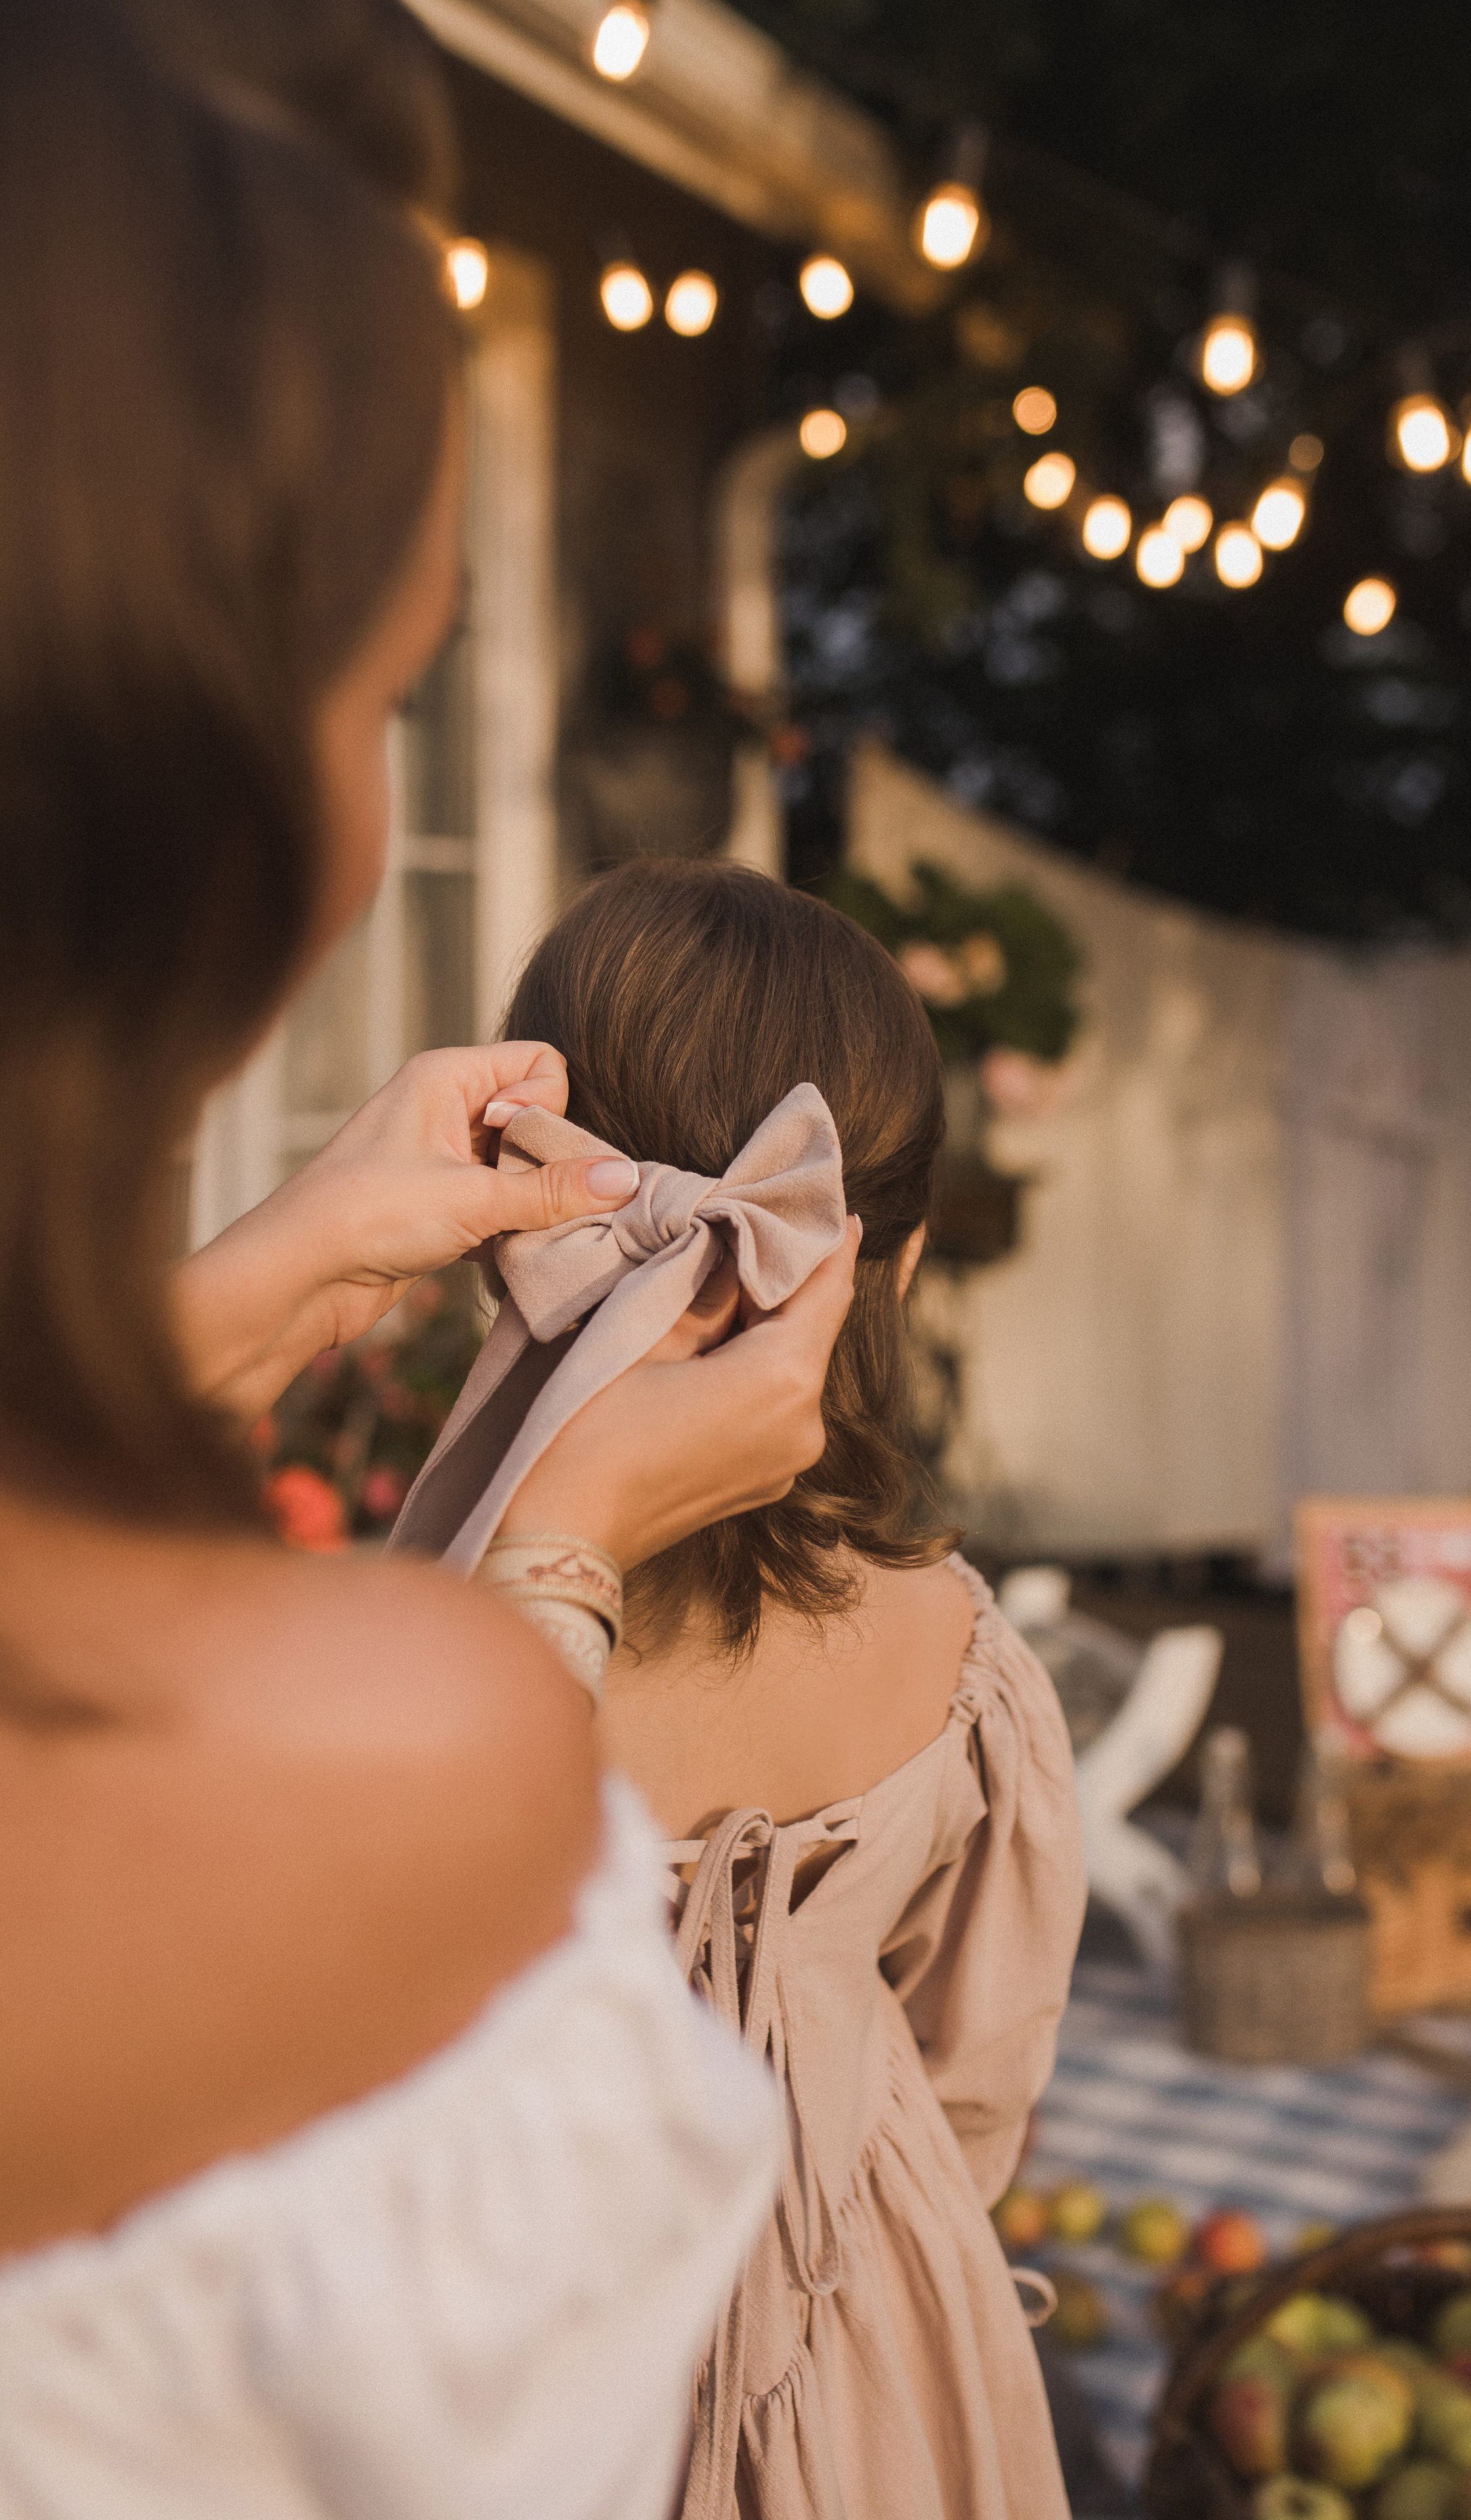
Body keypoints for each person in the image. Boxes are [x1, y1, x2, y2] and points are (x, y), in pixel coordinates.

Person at [0, 3, 860, 2511]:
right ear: (201, 802)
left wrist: (264, 1273)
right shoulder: (397, 1766)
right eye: (388, 694)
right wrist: (570, 1541)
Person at [493, 862, 1088, 2520]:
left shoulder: (424, 1662)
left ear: (506, 1248)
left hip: (496, 2357)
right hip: (870, 2345)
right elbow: (977, 2078)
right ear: (885, 1275)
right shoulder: (959, 1663)